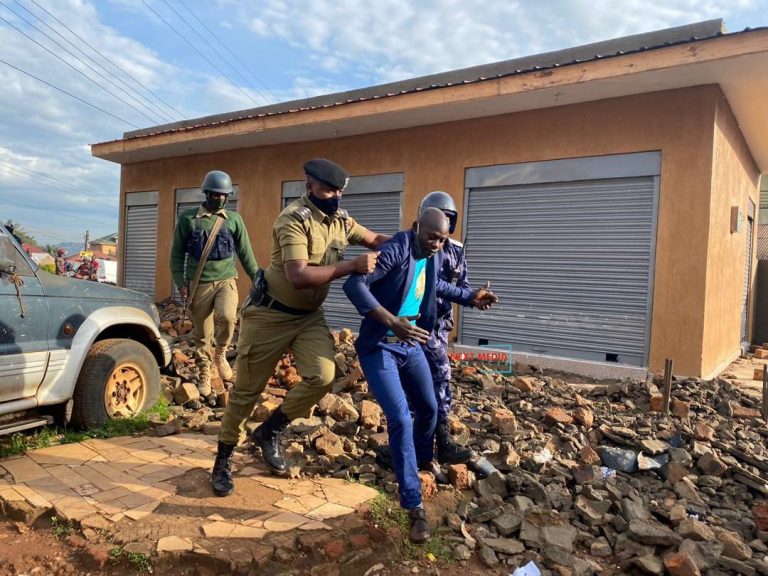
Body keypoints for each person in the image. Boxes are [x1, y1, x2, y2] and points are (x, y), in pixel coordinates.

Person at [211, 158, 390, 497]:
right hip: (270, 315)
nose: (335, 197)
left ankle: (269, 431)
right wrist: (352, 265)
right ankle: (223, 458)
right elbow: (299, 275)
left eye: (339, 191)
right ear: (309, 185)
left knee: (323, 376)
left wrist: (413, 240)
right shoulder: (293, 219)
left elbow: (374, 239)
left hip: (308, 317)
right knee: (247, 391)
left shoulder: (340, 220)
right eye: (328, 190)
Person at [343, 208, 497, 544]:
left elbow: (436, 285)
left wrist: (470, 297)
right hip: (380, 347)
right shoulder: (396, 249)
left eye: (442, 240)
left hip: (411, 345)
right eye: (431, 237)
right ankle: (414, 507)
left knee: (429, 408)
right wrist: (390, 320)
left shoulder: (434, 255)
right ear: (416, 228)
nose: (436, 244)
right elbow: (354, 283)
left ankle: (423, 461)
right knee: (401, 418)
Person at [170, 170, 259, 396]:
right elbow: (176, 254)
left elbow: (246, 253)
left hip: (226, 279)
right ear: (207, 193)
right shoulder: (188, 219)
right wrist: (180, 282)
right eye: (215, 194)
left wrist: (258, 278)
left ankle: (220, 352)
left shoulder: (234, 220)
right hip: (198, 283)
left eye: (223, 195)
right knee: (202, 333)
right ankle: (204, 370)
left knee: (228, 317)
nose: (219, 198)